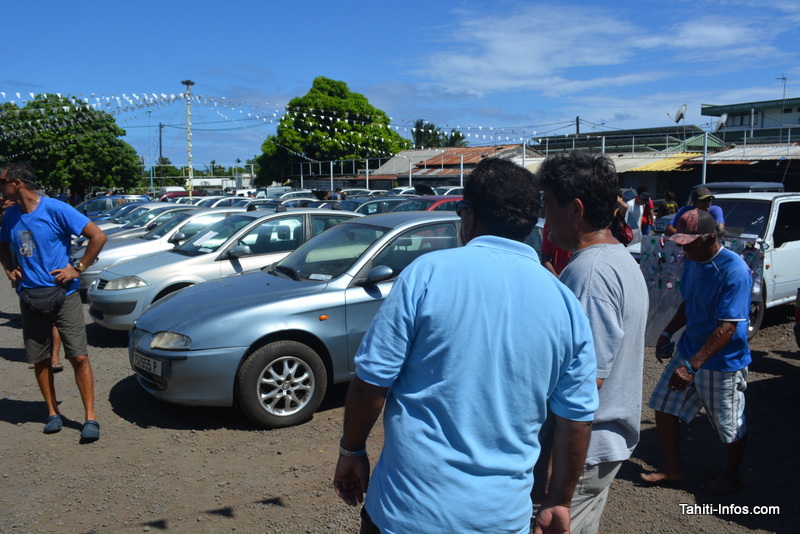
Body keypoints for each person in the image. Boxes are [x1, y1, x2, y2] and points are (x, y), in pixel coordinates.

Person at [333, 157, 599, 534]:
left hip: (405, 512)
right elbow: (576, 420)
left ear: (469, 217)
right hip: (500, 518)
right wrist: (558, 501)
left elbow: (372, 381)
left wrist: (352, 451)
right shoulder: (566, 305)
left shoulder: (427, 273)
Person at [538, 151, 649, 533]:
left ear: (576, 209)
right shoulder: (617, 260)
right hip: (597, 447)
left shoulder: (590, 274)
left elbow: (584, 384)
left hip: (580, 452)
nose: (544, 215)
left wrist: (553, 476)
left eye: (548, 203)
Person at [641, 208, 751, 494]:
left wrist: (691, 367)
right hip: (690, 350)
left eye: (688, 243)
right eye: (680, 242)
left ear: (711, 237)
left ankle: (732, 476)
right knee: (662, 405)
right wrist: (667, 332)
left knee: (729, 423)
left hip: (721, 361)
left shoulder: (734, 270)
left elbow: (727, 328)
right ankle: (673, 468)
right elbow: (688, 304)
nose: (682, 247)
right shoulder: (693, 259)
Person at [0, 161, 107, 440]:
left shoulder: (56, 209)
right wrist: (10, 268)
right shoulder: (11, 216)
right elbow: (2, 244)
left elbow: (98, 236)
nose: (0, 188)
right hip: (30, 297)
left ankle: (90, 418)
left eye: (2, 182)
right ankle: (51, 412)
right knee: (41, 360)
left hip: (65, 295)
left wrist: (78, 268)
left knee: (79, 356)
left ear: (17, 184)